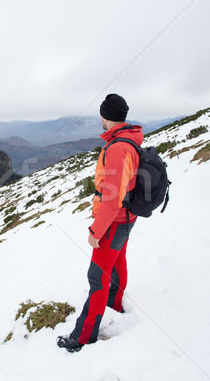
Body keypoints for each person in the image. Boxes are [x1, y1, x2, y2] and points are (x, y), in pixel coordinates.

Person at [57, 93, 143, 352]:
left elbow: (111, 198)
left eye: (101, 115)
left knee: (97, 277)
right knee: (117, 261)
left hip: (114, 220)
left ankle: (82, 337)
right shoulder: (129, 141)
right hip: (127, 218)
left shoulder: (117, 149)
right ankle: (114, 304)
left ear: (106, 117)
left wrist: (97, 230)